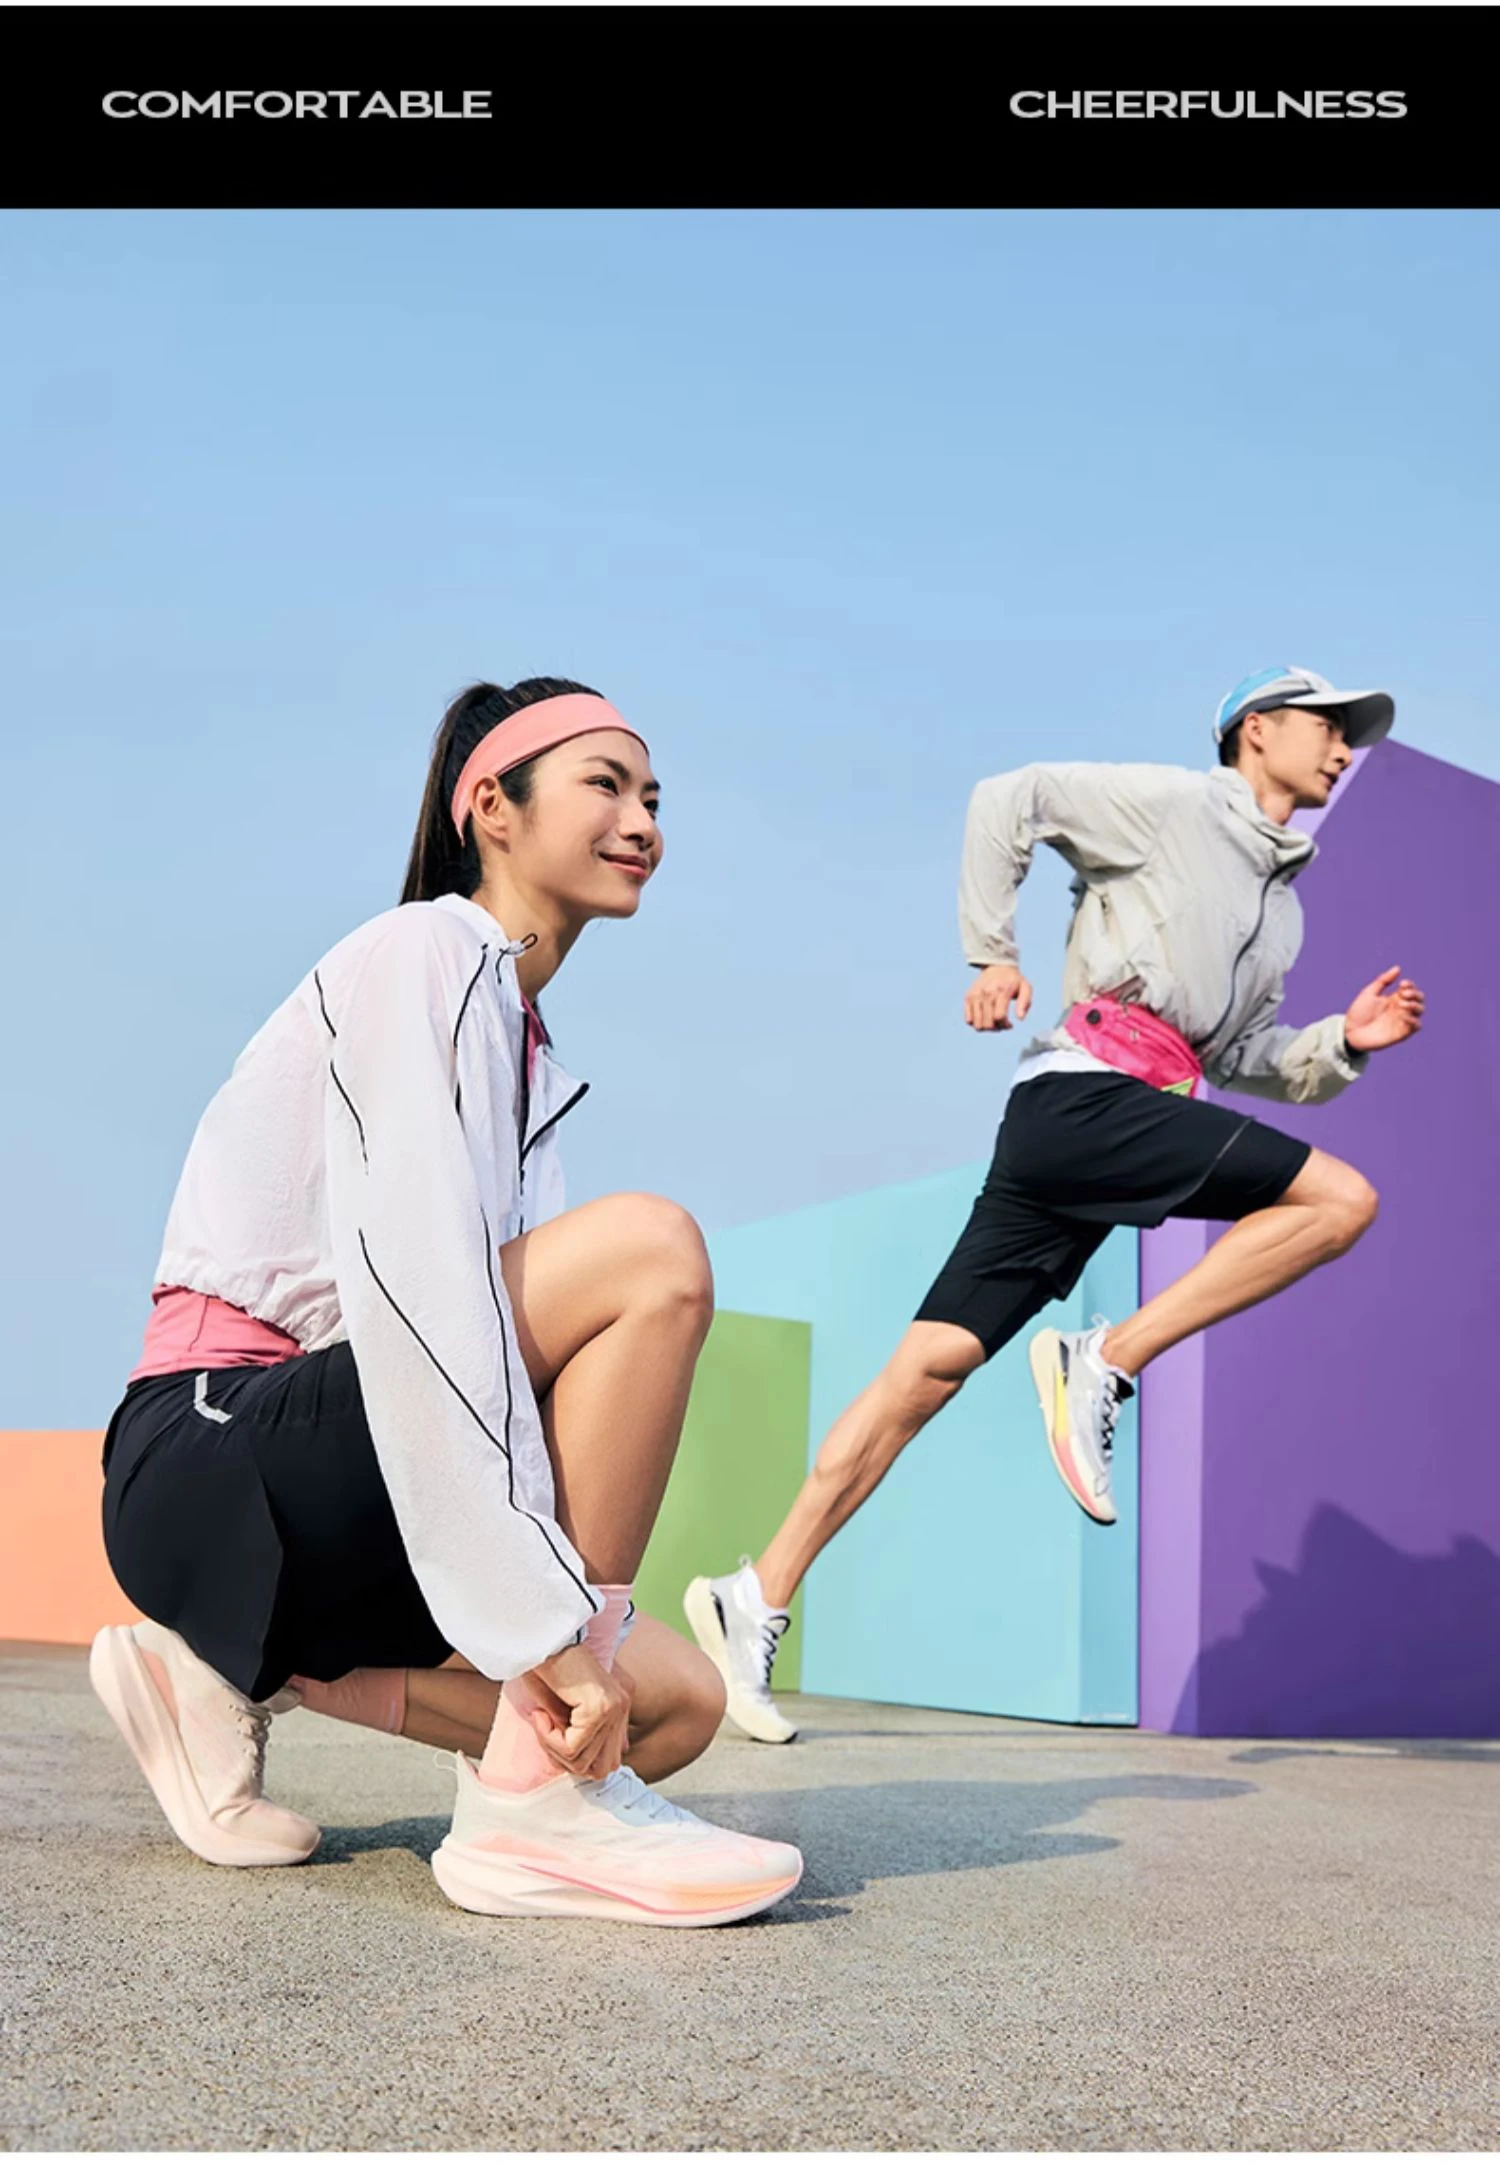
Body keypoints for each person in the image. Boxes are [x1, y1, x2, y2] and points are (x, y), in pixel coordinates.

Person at [92, 675, 803, 1925]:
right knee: (652, 1253)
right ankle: (534, 1817)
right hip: (214, 1444)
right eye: (606, 785)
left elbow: (504, 1376)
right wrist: (548, 1629)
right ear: (493, 808)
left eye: (654, 798)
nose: (644, 821)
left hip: (353, 1477)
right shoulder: (422, 951)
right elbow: (417, 1290)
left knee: (679, 1706)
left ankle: (238, 1670)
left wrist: (559, 1629)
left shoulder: (526, 1048)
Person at [686, 665, 1424, 1743]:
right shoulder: (1171, 805)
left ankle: (755, 1593)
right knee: (1342, 1201)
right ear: (1257, 730)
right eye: (1329, 725)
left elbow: (1239, 1056)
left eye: (1353, 733)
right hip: (1083, 1098)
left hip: (1101, 1123)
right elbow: (1010, 798)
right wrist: (992, 953)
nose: (1346, 746)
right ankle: (1106, 1360)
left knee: (923, 1373)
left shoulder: (1285, 914)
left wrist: (1342, 1042)